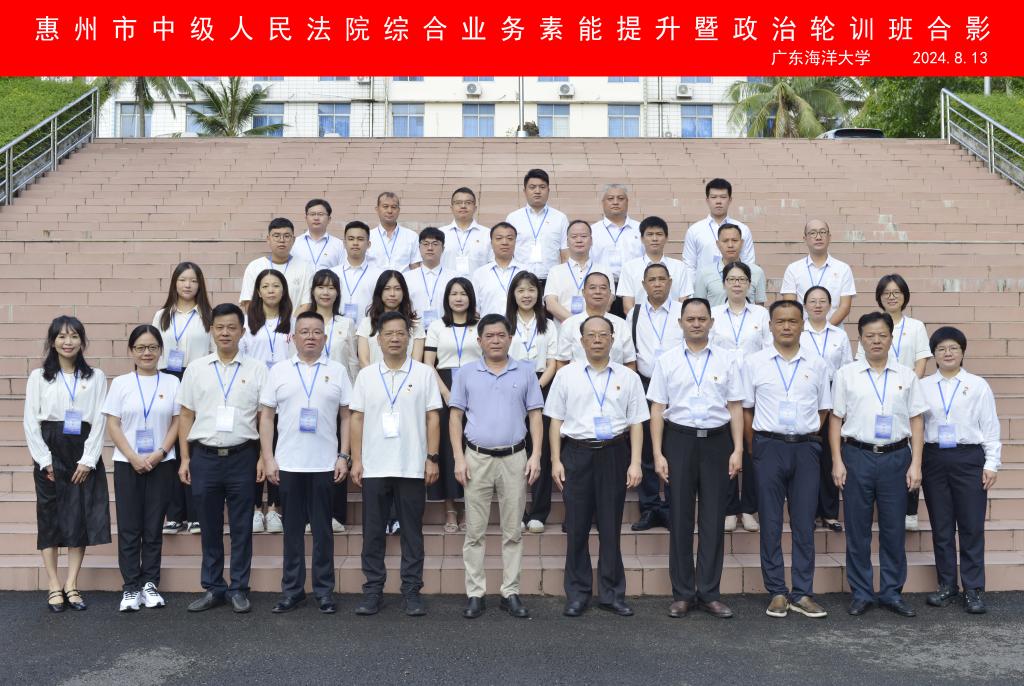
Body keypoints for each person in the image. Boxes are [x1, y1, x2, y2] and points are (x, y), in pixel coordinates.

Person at [648, 298, 744, 618]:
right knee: (680, 516)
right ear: (680, 323)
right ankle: (683, 593)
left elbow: (735, 407)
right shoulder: (667, 360)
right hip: (679, 440)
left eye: (702, 318)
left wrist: (738, 449)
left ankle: (709, 592)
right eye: (690, 319)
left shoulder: (727, 359)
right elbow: (658, 408)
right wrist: (658, 453)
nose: (696, 323)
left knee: (713, 518)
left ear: (711, 322)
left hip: (717, 442)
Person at [546, 315, 647, 617]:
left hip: (614, 454)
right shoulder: (567, 375)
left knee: (610, 527)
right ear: (581, 341)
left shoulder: (628, 377)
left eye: (603, 334)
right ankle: (577, 594)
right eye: (591, 335)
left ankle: (612, 594)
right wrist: (555, 460)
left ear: (613, 339)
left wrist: (635, 462)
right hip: (576, 454)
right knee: (577, 527)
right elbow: (555, 421)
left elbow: (637, 423)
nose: (598, 340)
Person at [830, 311, 928, 618]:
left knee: (893, 528)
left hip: (896, 458)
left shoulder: (906, 375)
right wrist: (837, 461)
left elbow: (917, 421)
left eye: (882, 335)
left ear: (891, 338)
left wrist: (916, 464)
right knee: (857, 529)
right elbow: (835, 419)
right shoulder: (846, 374)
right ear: (860, 339)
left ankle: (891, 592)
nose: (876, 341)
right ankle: (861, 593)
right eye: (870, 336)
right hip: (856, 456)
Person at [742, 300, 832, 620]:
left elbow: (823, 409)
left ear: (802, 325)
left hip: (805, 449)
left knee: (804, 522)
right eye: (780, 321)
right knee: (770, 521)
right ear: (770, 326)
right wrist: (756, 447)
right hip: (768, 447)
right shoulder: (754, 363)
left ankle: (803, 592)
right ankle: (777, 591)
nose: (786, 326)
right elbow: (747, 409)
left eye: (793, 321)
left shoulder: (817, 364)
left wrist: (806, 436)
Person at [451, 314, 544, 619]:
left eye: (501, 335)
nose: (495, 340)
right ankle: (475, 593)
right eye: (489, 336)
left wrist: (536, 455)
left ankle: (510, 592)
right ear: (479, 341)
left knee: (513, 531)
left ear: (510, 338)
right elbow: (455, 417)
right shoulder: (466, 373)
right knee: (474, 531)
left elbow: (535, 416)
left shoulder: (525, 371)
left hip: (515, 458)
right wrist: (459, 458)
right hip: (476, 458)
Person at [349, 312, 442, 617]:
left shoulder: (423, 374)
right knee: (373, 532)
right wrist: (357, 460)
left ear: (409, 338)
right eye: (388, 333)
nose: (394, 338)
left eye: (400, 333)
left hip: (411, 466)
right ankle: (372, 591)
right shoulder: (366, 376)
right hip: (374, 466)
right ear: (378, 339)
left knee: (412, 533)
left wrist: (432, 458)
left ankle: (412, 591)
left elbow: (432, 418)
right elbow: (357, 419)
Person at [259, 311, 352, 615]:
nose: (310, 336)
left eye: (316, 332)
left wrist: (343, 455)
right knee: (292, 532)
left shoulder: (337, 370)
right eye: (304, 331)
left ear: (324, 338)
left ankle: (324, 591)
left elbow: (347, 416)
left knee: (323, 531)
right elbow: (267, 417)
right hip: (288, 464)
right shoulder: (279, 371)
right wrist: (268, 458)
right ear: (294, 337)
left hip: (325, 464)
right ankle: (292, 591)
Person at [179, 303, 267, 614]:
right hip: (204, 457)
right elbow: (186, 414)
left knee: (242, 526)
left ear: (242, 331)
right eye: (219, 327)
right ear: (211, 331)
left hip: (243, 455)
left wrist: (263, 457)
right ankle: (213, 587)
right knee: (209, 526)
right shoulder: (196, 369)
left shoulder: (257, 369)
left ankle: (239, 588)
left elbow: (264, 417)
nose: (225, 333)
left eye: (232, 327)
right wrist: (185, 458)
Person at [23, 316, 110, 612]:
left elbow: (100, 420)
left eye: (73, 336)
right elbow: (30, 421)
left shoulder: (95, 377)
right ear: (52, 341)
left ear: (82, 341)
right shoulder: (39, 377)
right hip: (49, 449)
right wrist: (43, 460)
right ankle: (53, 584)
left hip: (81, 449)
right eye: (61, 336)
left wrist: (89, 460)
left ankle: (71, 584)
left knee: (78, 517)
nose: (67, 342)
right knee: (49, 518)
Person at [921, 327, 1000, 615]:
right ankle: (947, 585)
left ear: (963, 351)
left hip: (969, 458)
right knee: (941, 526)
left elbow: (990, 425)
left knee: (971, 526)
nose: (948, 353)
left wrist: (991, 463)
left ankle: (973, 589)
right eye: (941, 349)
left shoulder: (977, 385)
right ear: (934, 354)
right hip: (934, 458)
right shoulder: (924, 386)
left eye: (953, 348)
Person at [104, 325, 180, 612]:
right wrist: (133, 456)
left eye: (152, 347)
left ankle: (150, 583)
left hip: (162, 464)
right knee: (129, 527)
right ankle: (130, 587)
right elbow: (113, 424)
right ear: (131, 351)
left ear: (160, 350)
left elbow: (178, 422)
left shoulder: (172, 382)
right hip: (128, 464)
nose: (146, 353)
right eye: (140, 348)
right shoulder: (121, 383)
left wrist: (160, 453)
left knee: (153, 526)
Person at [856, 274, 933, 531]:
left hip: (904, 392)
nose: (891, 297)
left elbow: (921, 360)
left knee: (908, 448)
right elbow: (860, 360)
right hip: (875, 391)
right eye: (886, 293)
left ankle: (910, 509)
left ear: (904, 296)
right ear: (879, 297)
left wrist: (907, 385)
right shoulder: (872, 326)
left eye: (896, 292)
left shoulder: (916, 326)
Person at [356, 270, 426, 536]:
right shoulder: (368, 322)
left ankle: (398, 517)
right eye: (387, 288)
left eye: (397, 288)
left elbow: (416, 360)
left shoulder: (415, 324)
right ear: (379, 292)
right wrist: (378, 383)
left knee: (403, 452)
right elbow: (364, 358)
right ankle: (383, 517)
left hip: (406, 391)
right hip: (376, 391)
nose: (392, 293)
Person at [710, 261, 772, 533]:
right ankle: (728, 508)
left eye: (742, 279)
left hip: (753, 389)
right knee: (726, 448)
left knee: (750, 449)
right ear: (724, 284)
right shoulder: (713, 314)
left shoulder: (761, 314)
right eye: (731, 279)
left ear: (749, 284)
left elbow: (769, 350)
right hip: (721, 390)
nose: (737, 283)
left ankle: (748, 508)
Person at [152, 261, 213, 535]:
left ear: (200, 285)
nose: (188, 285)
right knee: (172, 447)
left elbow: (213, 352)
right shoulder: (162, 315)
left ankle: (197, 514)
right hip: (167, 378)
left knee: (194, 446)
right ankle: (174, 514)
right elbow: (153, 350)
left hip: (197, 377)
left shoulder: (208, 316)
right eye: (183, 280)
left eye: (193, 280)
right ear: (174, 283)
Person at [627, 263, 684, 533]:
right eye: (652, 279)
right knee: (648, 448)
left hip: (678, 387)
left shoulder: (682, 311)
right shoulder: (635, 313)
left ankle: (674, 507)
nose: (658, 284)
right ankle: (649, 507)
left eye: (662, 279)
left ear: (670, 282)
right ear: (644, 284)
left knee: (674, 448)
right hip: (646, 384)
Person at [424, 278, 482, 534]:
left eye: (463, 294)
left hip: (476, 386)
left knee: (473, 445)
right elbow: (428, 364)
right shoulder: (437, 326)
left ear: (471, 297)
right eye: (454, 294)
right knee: (448, 448)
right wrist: (446, 393)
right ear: (447, 298)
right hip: (444, 385)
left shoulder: (480, 324)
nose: (459, 298)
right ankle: (450, 508)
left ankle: (470, 506)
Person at [241, 269, 294, 534]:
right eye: (265, 286)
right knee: (255, 450)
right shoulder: (246, 321)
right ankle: (254, 508)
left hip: (283, 390)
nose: (271, 290)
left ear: (284, 290)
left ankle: (273, 508)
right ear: (258, 291)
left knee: (276, 448)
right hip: (253, 389)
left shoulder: (292, 321)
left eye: (276, 285)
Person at [304, 268, 358, 533]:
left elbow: (352, 361)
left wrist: (355, 397)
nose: (326, 292)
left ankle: (336, 514)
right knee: (310, 453)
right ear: (313, 291)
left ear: (337, 292)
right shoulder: (303, 321)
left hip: (338, 397)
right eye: (321, 287)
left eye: (331, 287)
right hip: (309, 397)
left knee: (338, 453)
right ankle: (307, 515)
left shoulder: (346, 323)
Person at [506, 272, 558, 534]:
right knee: (514, 450)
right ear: (513, 294)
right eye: (521, 290)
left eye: (531, 290)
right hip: (509, 386)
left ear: (539, 294)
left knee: (541, 451)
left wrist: (535, 388)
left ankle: (538, 512)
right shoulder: (505, 323)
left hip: (542, 385)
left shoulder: (548, 325)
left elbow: (553, 362)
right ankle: (516, 511)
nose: (526, 295)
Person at [799, 286, 853, 532]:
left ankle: (829, 513)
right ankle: (809, 512)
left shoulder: (839, 335)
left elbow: (846, 369)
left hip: (833, 393)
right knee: (808, 456)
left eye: (823, 301)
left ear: (831, 306)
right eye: (812, 301)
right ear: (805, 305)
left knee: (831, 453)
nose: (818, 305)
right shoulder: (799, 333)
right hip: (805, 395)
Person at [780, 219, 856, 325]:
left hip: (834, 330)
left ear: (829, 237)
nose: (818, 237)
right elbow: (790, 306)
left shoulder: (843, 269)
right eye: (813, 233)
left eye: (822, 232)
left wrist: (825, 329)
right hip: (802, 332)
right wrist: (807, 330)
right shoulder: (793, 269)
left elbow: (845, 307)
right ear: (805, 239)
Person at [555, 272, 637, 370]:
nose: (598, 292)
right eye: (592, 287)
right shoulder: (569, 324)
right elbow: (562, 362)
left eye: (603, 288)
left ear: (610, 293)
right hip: (578, 379)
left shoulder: (621, 324)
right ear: (583, 292)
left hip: (614, 378)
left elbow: (630, 363)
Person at [682, 178, 755, 284]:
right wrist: (694, 290)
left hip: (735, 287)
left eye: (723, 197)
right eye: (713, 197)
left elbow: (748, 262)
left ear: (730, 200)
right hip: (704, 287)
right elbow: (689, 265)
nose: (718, 201)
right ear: (707, 200)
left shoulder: (743, 229)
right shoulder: (694, 230)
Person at [504, 168, 569, 285]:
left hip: (552, 280)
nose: (537, 191)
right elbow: (507, 252)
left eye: (542, 187)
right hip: (521, 281)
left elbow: (565, 254)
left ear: (548, 190)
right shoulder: (513, 218)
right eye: (532, 187)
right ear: (525, 191)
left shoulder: (560, 218)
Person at [543, 219, 615, 323]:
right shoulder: (555, 271)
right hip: (564, 329)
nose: (579, 240)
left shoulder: (604, 270)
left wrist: (588, 325)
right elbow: (551, 304)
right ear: (567, 242)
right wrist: (577, 323)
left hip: (595, 328)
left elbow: (607, 302)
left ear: (591, 240)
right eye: (574, 237)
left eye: (584, 236)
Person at [616, 216, 691, 312]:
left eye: (659, 234)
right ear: (642, 238)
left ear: (666, 238)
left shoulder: (679, 267)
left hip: (673, 320)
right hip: (640, 320)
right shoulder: (629, 268)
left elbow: (683, 303)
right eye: (650, 234)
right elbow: (628, 306)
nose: (654, 239)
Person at [589, 184, 643, 315]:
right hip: (602, 290)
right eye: (610, 198)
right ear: (603, 202)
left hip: (634, 289)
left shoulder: (640, 229)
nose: (615, 202)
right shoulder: (592, 231)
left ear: (627, 201)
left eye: (620, 198)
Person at [239, 218, 313, 310]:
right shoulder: (255, 266)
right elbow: (248, 302)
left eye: (286, 236)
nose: (282, 240)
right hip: (261, 319)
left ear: (293, 240)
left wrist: (292, 319)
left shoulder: (305, 267)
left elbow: (307, 303)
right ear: (268, 239)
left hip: (295, 319)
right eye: (276, 236)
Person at [692, 224, 767, 306]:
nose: (730, 245)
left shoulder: (756, 272)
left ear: (742, 243)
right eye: (725, 241)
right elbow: (698, 307)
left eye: (734, 240)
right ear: (718, 244)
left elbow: (760, 308)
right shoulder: (704, 273)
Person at [330, 220, 383, 327]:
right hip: (336, 330)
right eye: (351, 239)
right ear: (344, 243)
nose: (355, 243)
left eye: (360, 239)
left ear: (368, 244)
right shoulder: (333, 273)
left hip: (367, 330)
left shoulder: (379, 275)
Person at [471, 222, 525, 316]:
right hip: (488, 324)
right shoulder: (479, 274)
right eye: (499, 238)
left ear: (515, 242)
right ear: (491, 243)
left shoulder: (525, 271)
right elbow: (474, 308)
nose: (504, 242)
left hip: (519, 325)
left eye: (510, 238)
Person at [405, 227, 453, 331]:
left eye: (435, 244)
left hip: (446, 331)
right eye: (425, 244)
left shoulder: (453, 278)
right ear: (419, 248)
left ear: (443, 248)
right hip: (414, 332)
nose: (430, 248)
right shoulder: (407, 278)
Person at [441, 187, 492, 277]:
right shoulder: (440, 233)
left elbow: (492, 264)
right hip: (447, 285)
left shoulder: (487, 234)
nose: (463, 206)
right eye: (458, 203)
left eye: (468, 203)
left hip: (477, 285)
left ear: (475, 208)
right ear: (451, 208)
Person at [367, 192, 421, 271]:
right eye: (385, 206)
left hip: (403, 279)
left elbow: (415, 267)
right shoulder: (368, 237)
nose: (390, 211)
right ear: (377, 209)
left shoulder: (411, 236)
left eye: (394, 207)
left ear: (398, 210)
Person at [291, 198, 345, 270]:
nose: (316, 218)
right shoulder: (295, 243)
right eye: (312, 214)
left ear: (329, 219)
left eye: (320, 214)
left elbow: (342, 269)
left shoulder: (338, 244)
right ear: (306, 218)